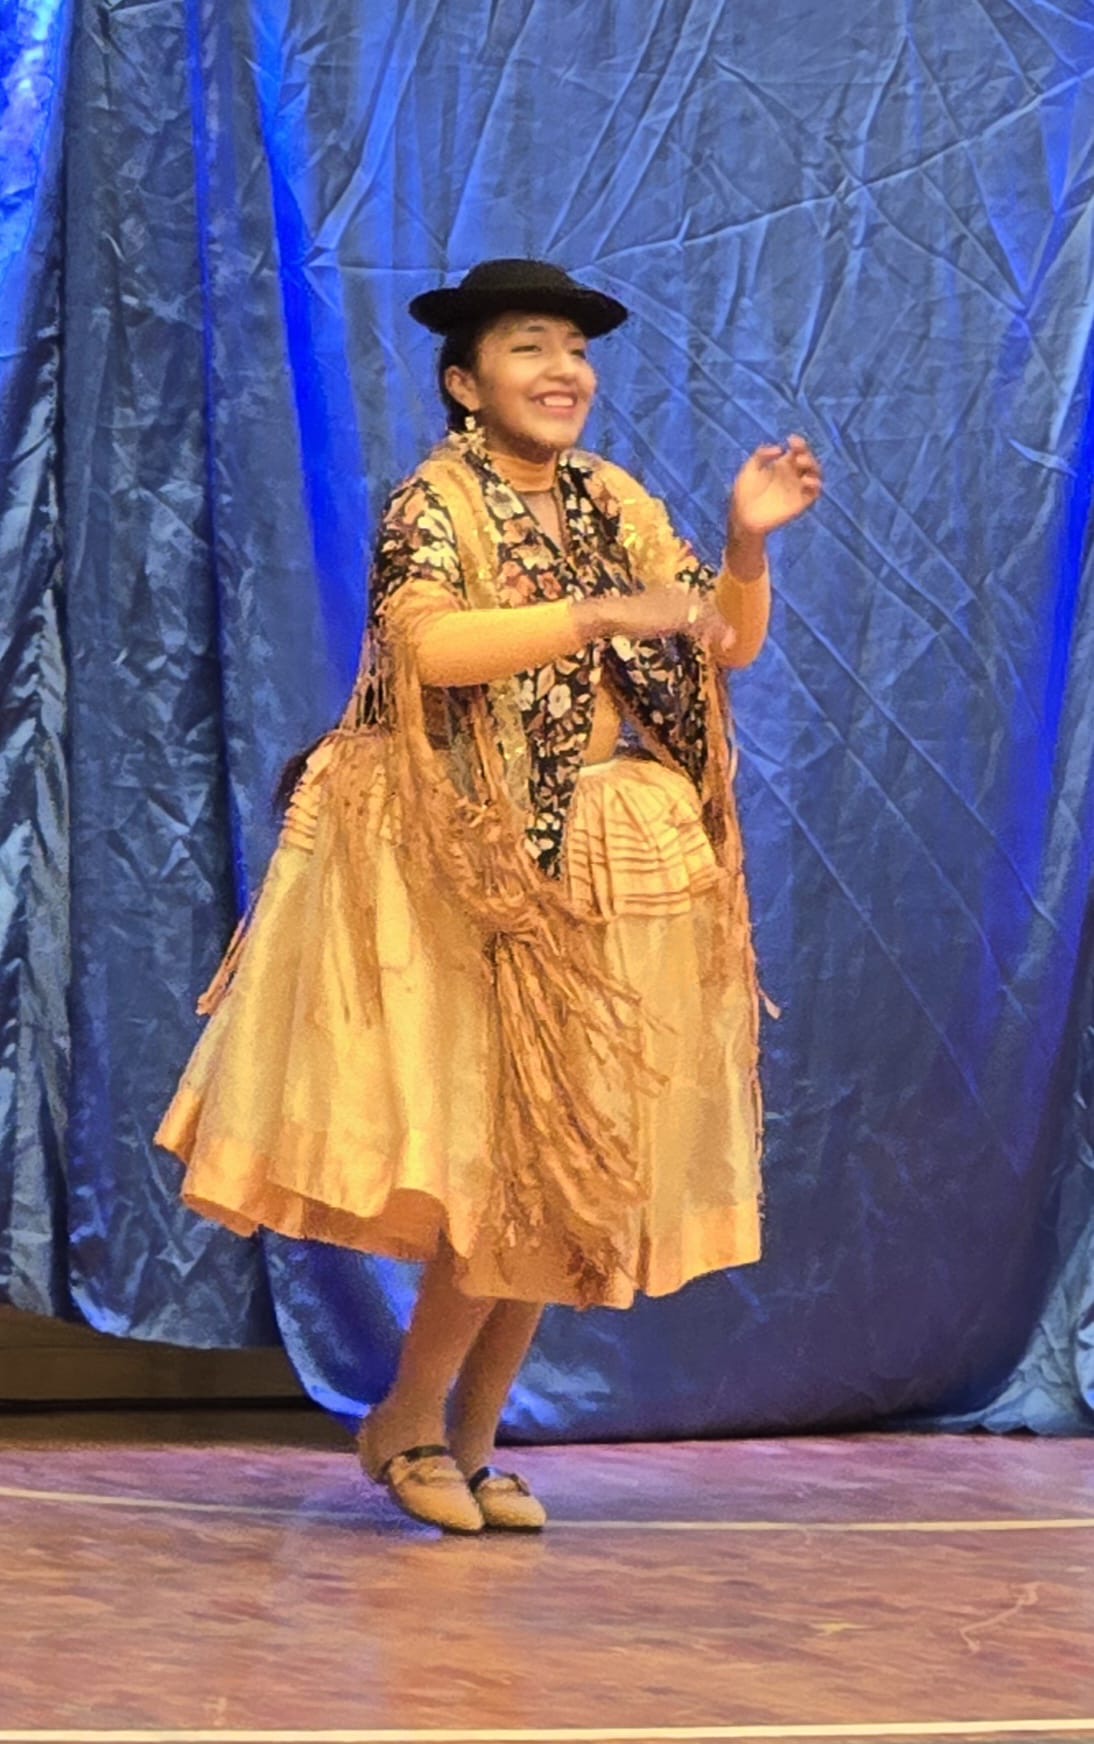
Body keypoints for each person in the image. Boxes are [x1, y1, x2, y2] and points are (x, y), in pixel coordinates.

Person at [156, 258, 823, 1536]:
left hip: (601, 850)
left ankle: (464, 1436)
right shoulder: (437, 502)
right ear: (466, 382)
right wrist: (587, 616)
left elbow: (717, 638)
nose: (563, 367)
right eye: (529, 346)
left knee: (564, 1168)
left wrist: (742, 546)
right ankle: (409, 1420)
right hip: (469, 853)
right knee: (506, 1161)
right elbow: (427, 647)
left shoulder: (608, 496)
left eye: (574, 346)